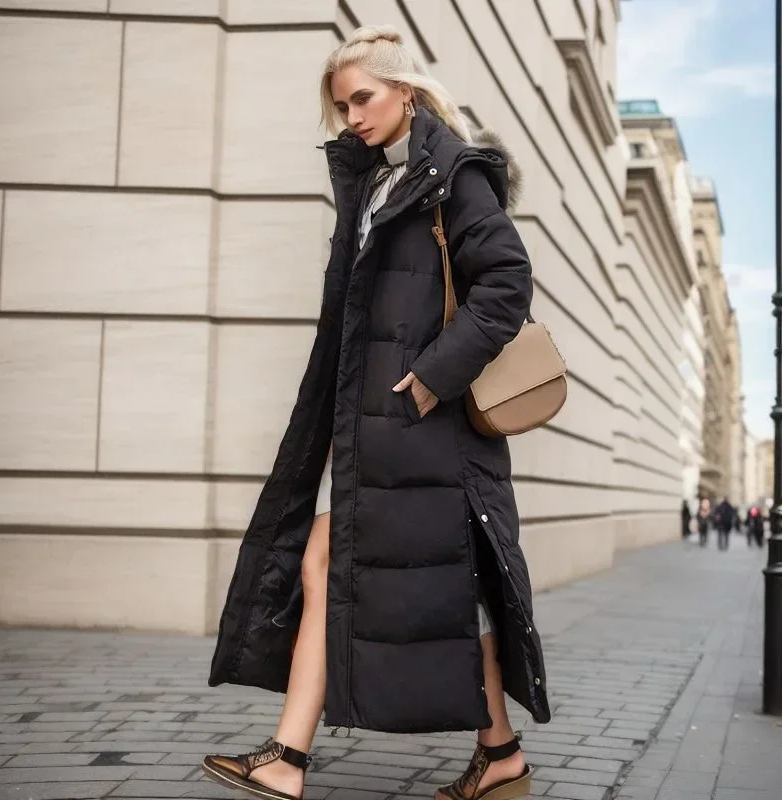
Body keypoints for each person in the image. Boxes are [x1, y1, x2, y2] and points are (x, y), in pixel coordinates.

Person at [201, 25, 547, 800]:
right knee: (335, 569)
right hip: (371, 429)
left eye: (363, 97)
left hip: (423, 432)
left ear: (406, 92)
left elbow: (506, 287)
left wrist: (430, 377)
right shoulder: (380, 181)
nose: (352, 116)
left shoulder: (456, 172)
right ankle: (478, 757)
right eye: (341, 106)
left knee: (441, 590)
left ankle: (481, 755)